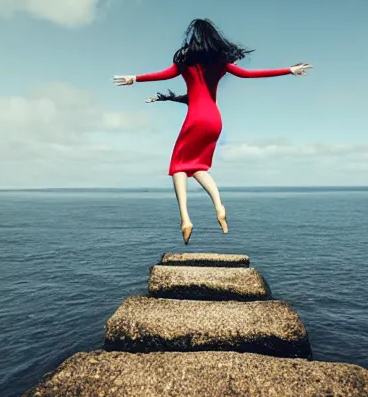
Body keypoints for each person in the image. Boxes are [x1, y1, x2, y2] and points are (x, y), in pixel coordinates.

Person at [113, 19, 312, 244]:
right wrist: (289, 70)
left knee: (178, 165)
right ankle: (219, 206)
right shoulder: (220, 63)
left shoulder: (184, 61)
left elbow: (161, 75)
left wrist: (135, 78)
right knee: (198, 166)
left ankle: (185, 219)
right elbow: (249, 74)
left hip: (195, 118)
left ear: (193, 38)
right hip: (214, 120)